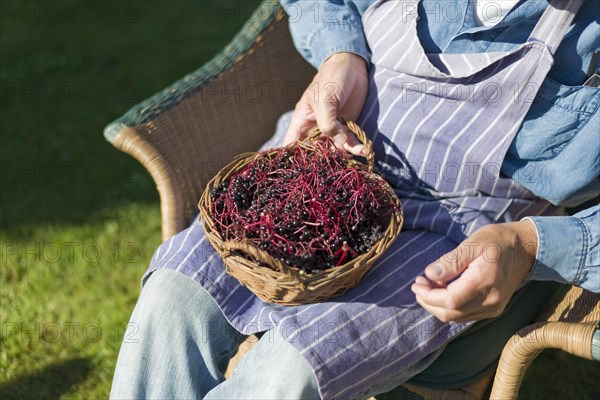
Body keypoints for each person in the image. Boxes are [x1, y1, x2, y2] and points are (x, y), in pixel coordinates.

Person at [110, 0, 599, 399]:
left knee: (287, 373)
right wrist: (340, 52)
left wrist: (530, 246)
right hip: (319, 167)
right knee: (171, 299)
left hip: (457, 235)